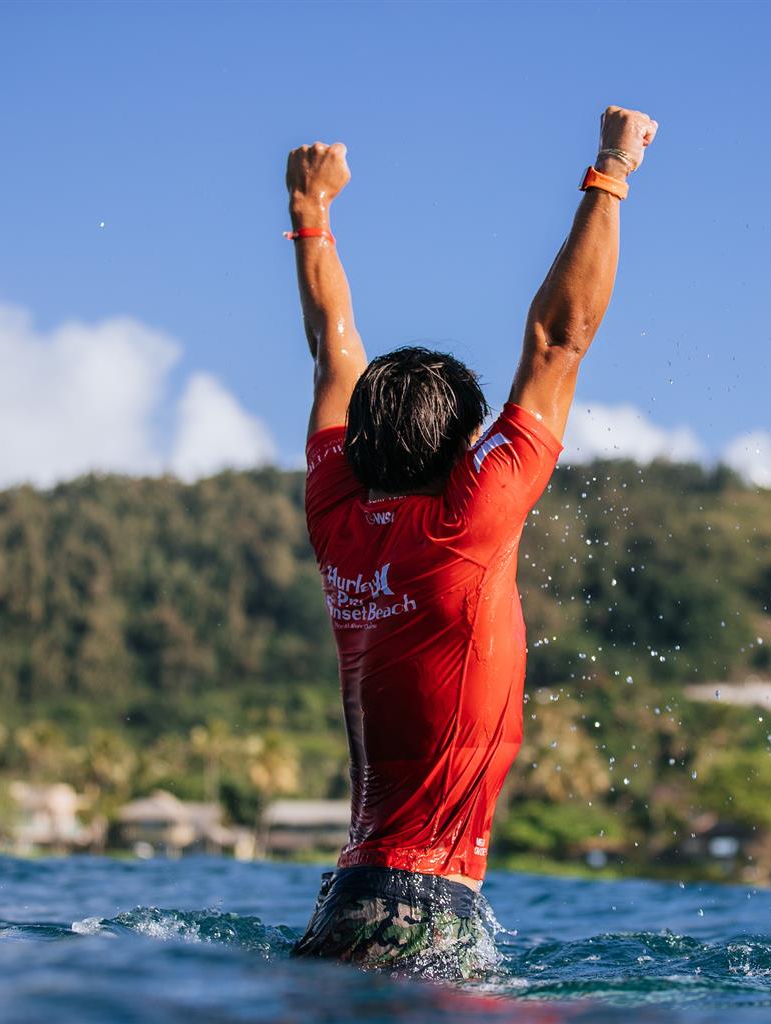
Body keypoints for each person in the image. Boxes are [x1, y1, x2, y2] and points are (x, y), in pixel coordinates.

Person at [284, 106, 658, 976]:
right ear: (463, 453)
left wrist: (312, 213)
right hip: (430, 909)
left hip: (345, 900)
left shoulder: (335, 516)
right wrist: (613, 167)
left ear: (361, 443)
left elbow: (328, 354)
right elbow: (557, 343)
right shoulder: (469, 519)